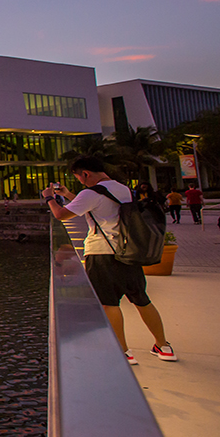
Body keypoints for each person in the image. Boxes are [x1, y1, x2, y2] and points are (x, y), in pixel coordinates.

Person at [43, 156, 177, 365]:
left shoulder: (90, 193)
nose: (80, 182)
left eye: (79, 177)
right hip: (128, 251)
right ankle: (163, 345)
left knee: (109, 303)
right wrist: (68, 194)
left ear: (86, 173)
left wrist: (49, 197)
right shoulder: (122, 189)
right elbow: (96, 203)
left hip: (102, 254)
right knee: (141, 299)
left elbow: (61, 215)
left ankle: (122, 351)